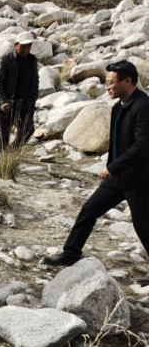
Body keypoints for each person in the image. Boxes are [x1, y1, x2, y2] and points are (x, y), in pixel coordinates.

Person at [44, 60, 149, 283]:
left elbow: (142, 145)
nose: (107, 87)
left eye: (111, 83)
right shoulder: (117, 106)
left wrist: (112, 167)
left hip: (138, 179)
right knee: (89, 210)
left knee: (144, 225)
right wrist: (114, 167)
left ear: (127, 81)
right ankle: (71, 253)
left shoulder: (143, 106)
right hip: (118, 177)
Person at [0, 32, 39, 161]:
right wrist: (3, 101)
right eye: (23, 46)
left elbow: (35, 80)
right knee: (4, 135)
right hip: (6, 104)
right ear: (16, 45)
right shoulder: (5, 60)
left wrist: (33, 98)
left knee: (28, 130)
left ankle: (11, 154)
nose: (26, 49)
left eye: (29, 46)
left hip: (25, 103)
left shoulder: (32, 60)